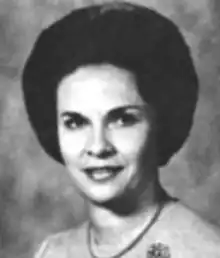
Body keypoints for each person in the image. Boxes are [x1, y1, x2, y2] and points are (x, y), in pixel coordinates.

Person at [22, 2, 220, 257]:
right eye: (75, 122)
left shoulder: (205, 250)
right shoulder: (53, 252)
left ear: (162, 123)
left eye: (122, 120)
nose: (97, 146)